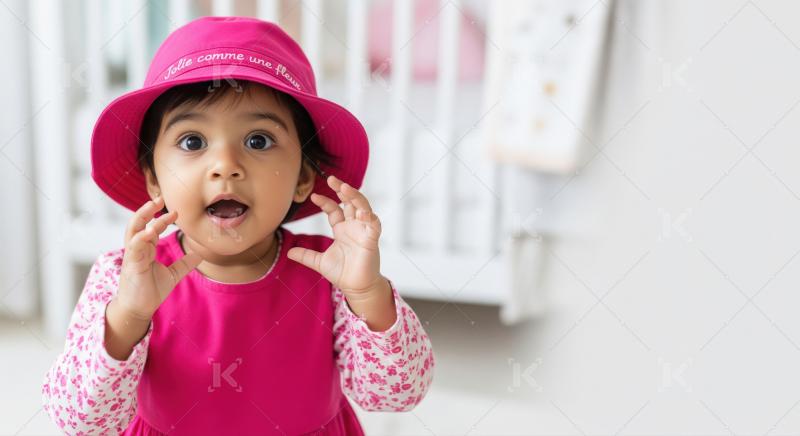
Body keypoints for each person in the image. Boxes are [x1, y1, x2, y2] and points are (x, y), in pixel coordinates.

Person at [41, 16, 434, 435]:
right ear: (153, 179)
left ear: (303, 176)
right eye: (192, 142)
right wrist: (128, 317)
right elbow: (79, 421)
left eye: (258, 141)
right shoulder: (123, 278)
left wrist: (367, 295)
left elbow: (397, 396)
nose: (226, 166)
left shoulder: (333, 274)